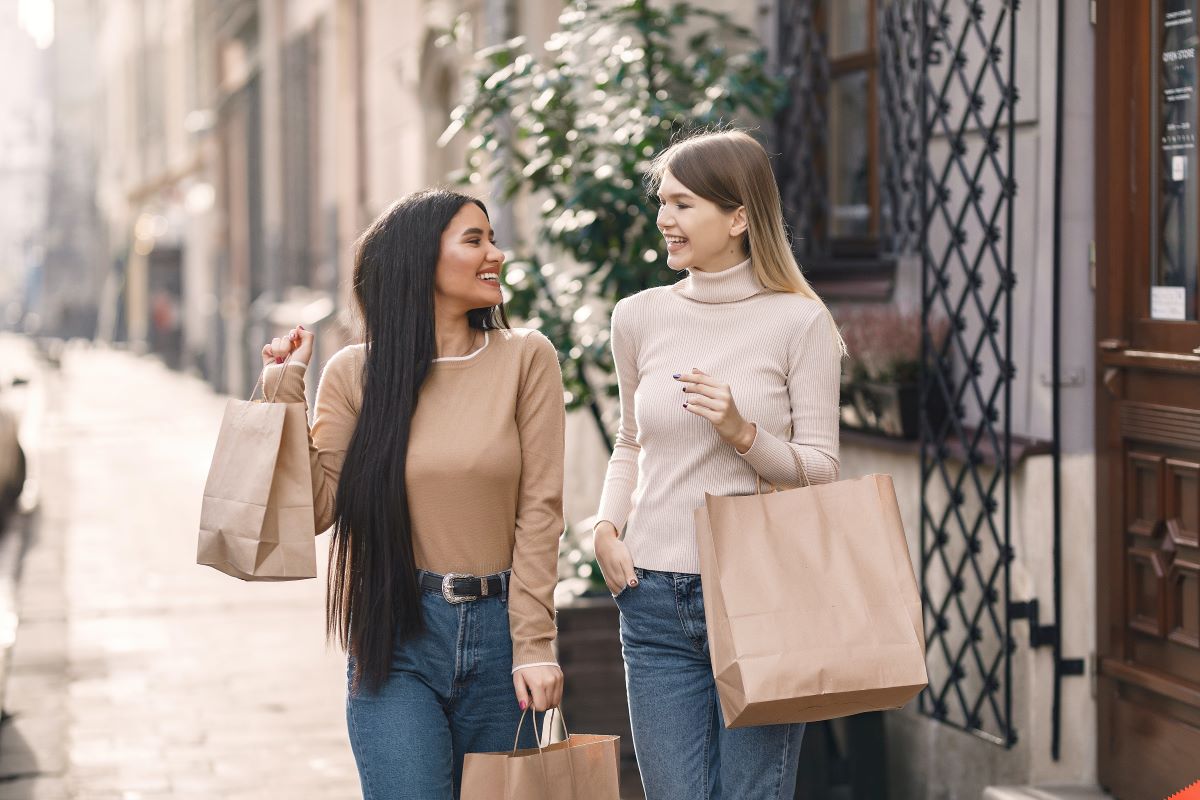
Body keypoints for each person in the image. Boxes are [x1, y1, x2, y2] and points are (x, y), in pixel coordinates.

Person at [260, 189, 566, 800]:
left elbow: (540, 512)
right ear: (419, 260)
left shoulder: (526, 359)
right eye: (474, 240)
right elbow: (320, 510)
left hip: (502, 632)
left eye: (493, 239)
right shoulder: (355, 374)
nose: (496, 255)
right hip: (396, 634)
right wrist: (285, 392)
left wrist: (535, 643)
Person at [592, 130, 844, 799]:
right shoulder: (638, 316)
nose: (663, 219)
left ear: (737, 217)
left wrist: (742, 433)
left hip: (761, 592)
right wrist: (604, 528)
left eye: (681, 204)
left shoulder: (799, 322)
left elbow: (822, 468)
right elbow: (631, 441)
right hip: (651, 598)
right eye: (662, 203)